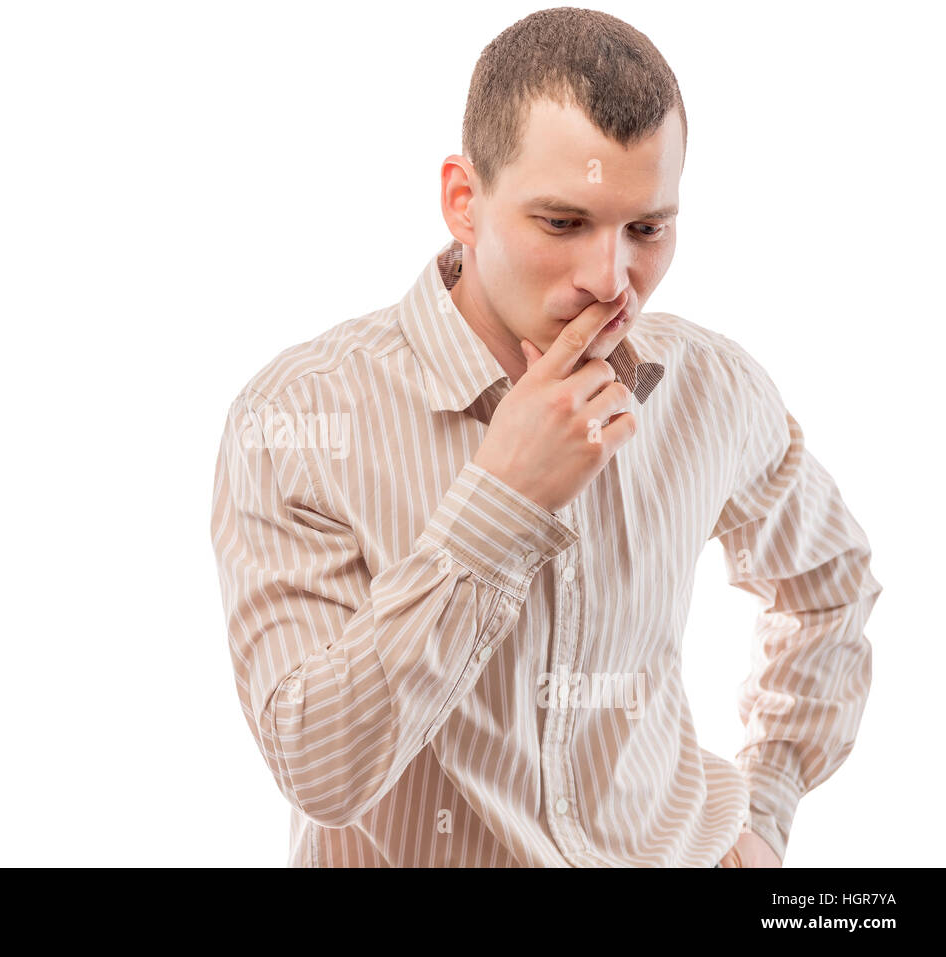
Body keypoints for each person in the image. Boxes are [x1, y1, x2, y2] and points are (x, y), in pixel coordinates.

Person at [209, 7, 880, 867]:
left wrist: (769, 807)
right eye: (562, 223)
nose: (612, 281)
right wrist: (501, 499)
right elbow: (319, 767)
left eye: (647, 228)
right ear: (463, 200)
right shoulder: (295, 419)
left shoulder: (711, 387)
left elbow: (829, 588)